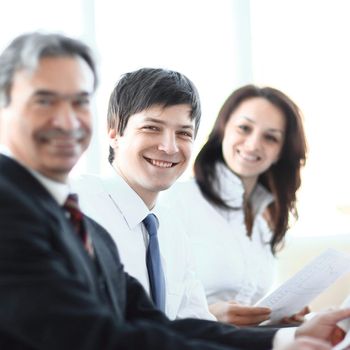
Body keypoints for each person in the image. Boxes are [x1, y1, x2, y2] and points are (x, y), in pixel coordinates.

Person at [0, 31, 348, 350]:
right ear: (114, 131)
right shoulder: (39, 207)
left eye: (79, 102)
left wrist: (287, 339)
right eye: (44, 101)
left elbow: (167, 324)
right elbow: (93, 335)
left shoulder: (95, 226)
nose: (169, 147)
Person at [73, 67, 219, 321]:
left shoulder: (171, 229)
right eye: (152, 128)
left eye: (184, 133)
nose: (169, 147)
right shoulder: (78, 207)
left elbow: (195, 323)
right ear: (114, 133)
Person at [160, 85, 308, 326]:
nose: (252, 145)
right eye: (244, 128)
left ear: (281, 152)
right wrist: (208, 315)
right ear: (223, 129)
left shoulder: (263, 220)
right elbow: (146, 308)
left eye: (270, 137)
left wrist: (279, 314)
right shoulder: (176, 200)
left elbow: (250, 308)